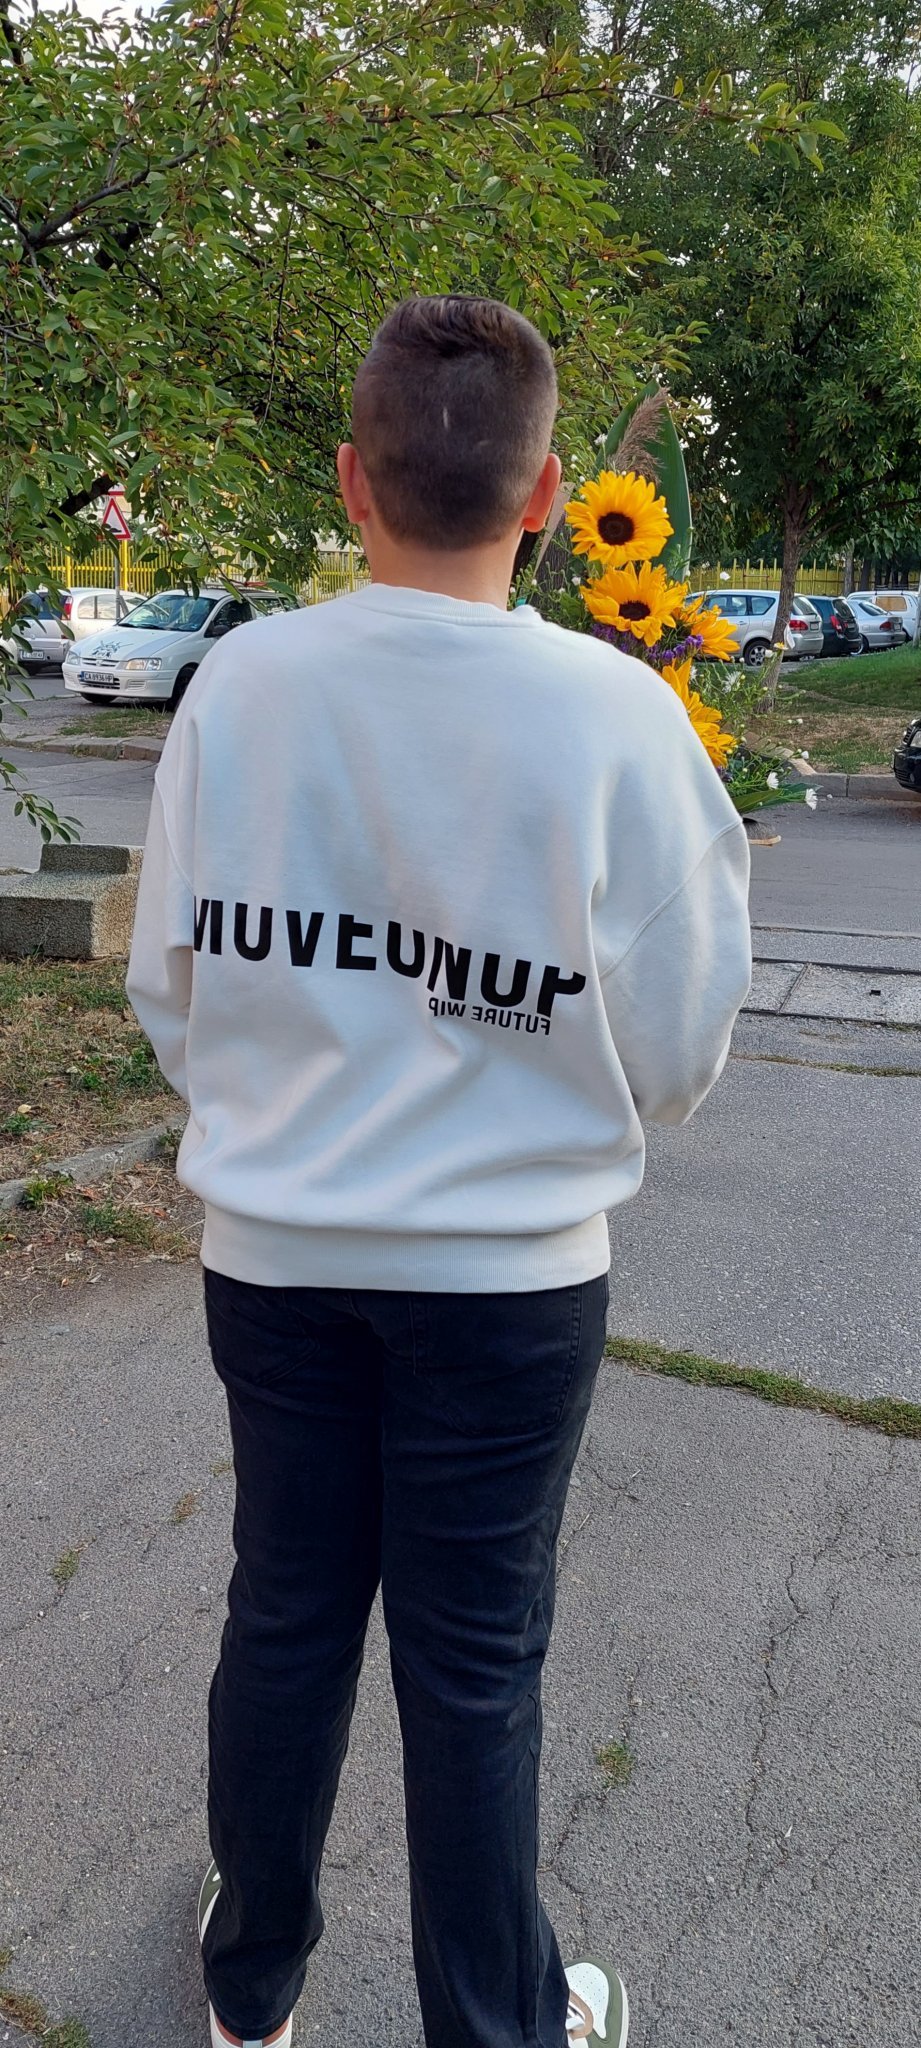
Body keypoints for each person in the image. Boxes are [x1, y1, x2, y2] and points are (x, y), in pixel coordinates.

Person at [127, 294, 751, 2048]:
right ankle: (495, 2023)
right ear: (548, 498)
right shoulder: (615, 713)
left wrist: (284, 1120)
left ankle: (252, 1986)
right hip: (506, 1281)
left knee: (286, 1616)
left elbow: (173, 983)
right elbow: (679, 1041)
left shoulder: (244, 685)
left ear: (352, 481)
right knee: (472, 1667)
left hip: (277, 1256)